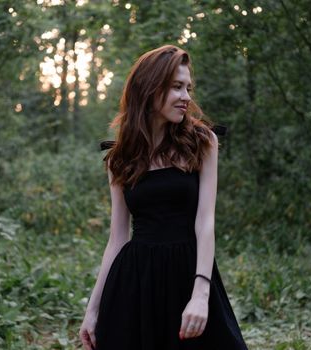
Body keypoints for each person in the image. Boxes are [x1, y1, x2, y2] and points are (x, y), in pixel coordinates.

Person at [79, 45, 248, 350]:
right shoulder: (120, 157)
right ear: (149, 88)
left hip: (189, 271)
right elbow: (117, 238)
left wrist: (201, 292)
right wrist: (93, 310)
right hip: (136, 282)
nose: (187, 96)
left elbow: (205, 221)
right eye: (176, 87)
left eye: (188, 88)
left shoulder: (201, 141)